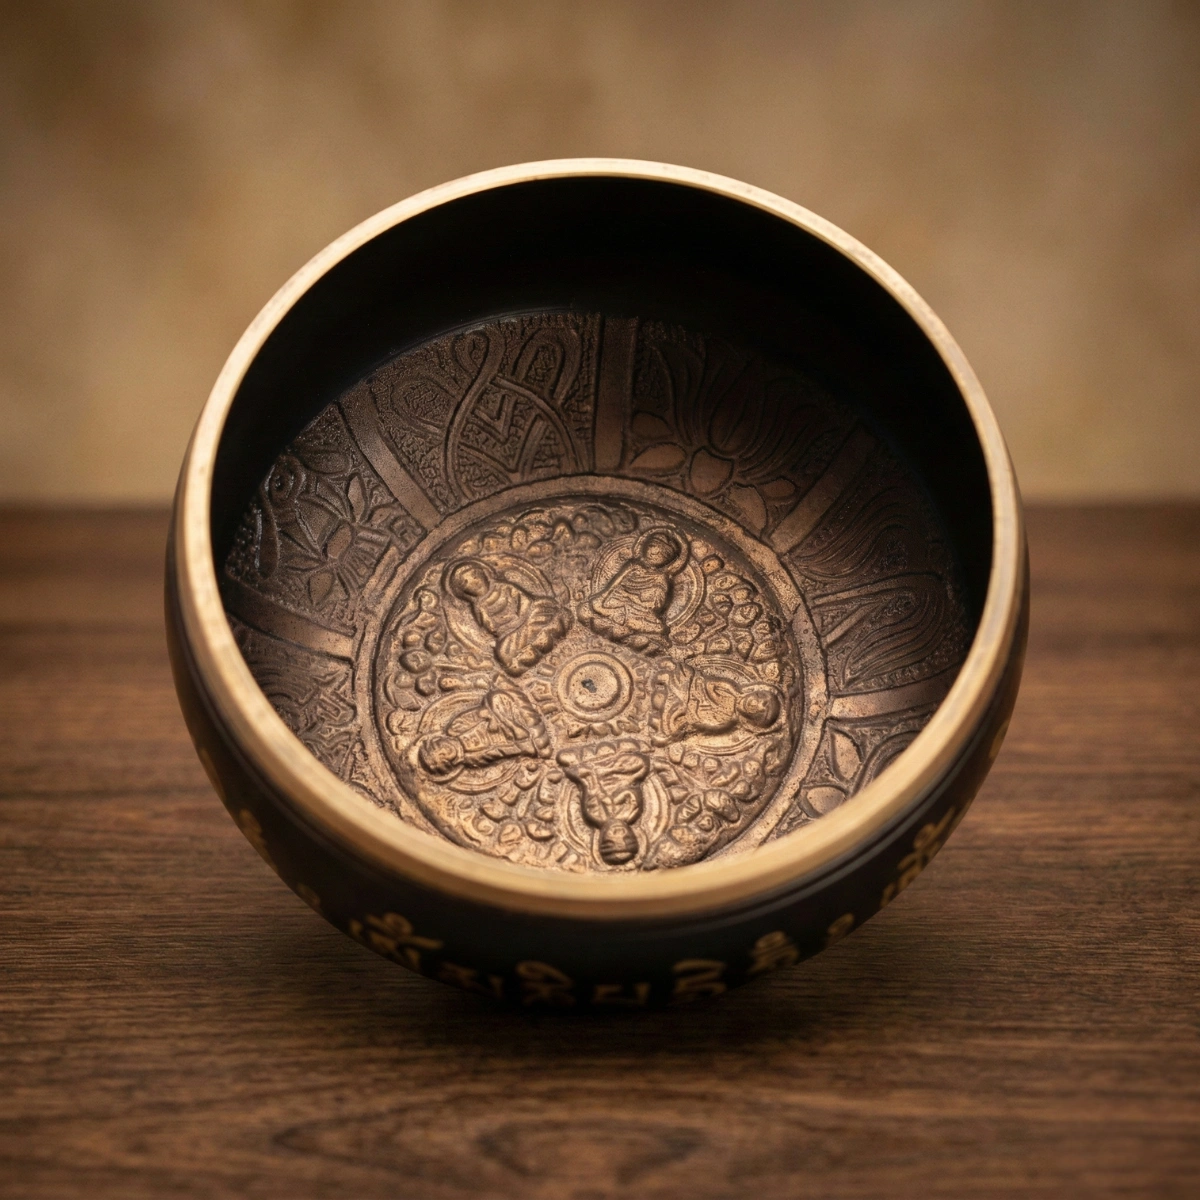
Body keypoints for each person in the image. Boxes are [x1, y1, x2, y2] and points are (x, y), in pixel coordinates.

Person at [445, 557, 569, 675]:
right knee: (503, 653)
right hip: (515, 633)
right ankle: (538, 642)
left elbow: (525, 601)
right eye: (465, 582)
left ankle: (550, 629)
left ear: (484, 574)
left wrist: (521, 616)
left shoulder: (504, 587)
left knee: (546, 606)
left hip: (530, 618)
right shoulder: (479, 607)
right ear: (464, 591)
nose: (473, 581)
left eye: (474, 575)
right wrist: (508, 625)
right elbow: (491, 628)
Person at [579, 530, 685, 655]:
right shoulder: (633, 566)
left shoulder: (661, 579)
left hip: (639, 612)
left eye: (661, 554)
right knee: (585, 610)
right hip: (617, 602)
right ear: (644, 547)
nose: (653, 553)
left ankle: (628, 628)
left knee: (658, 627)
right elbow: (612, 586)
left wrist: (635, 601)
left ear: (667, 560)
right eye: (651, 547)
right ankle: (631, 632)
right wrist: (600, 600)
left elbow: (655, 606)